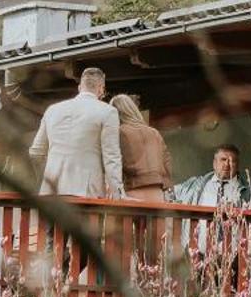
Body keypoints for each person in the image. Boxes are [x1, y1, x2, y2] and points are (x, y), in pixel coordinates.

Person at [28, 67, 123, 199]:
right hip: (86, 191)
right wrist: (118, 193)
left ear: (79, 87)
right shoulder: (108, 112)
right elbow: (111, 157)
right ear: (101, 88)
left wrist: (47, 174)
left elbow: (36, 152)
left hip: (50, 190)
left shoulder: (52, 110)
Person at [111, 94, 173, 203]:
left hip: (133, 195)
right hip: (158, 196)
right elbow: (168, 166)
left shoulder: (119, 132)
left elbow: (114, 164)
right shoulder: (155, 133)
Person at [174, 144, 248, 208]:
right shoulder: (195, 185)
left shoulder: (248, 191)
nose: (227, 164)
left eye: (232, 161)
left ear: (238, 165)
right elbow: (170, 195)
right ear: (214, 163)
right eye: (223, 159)